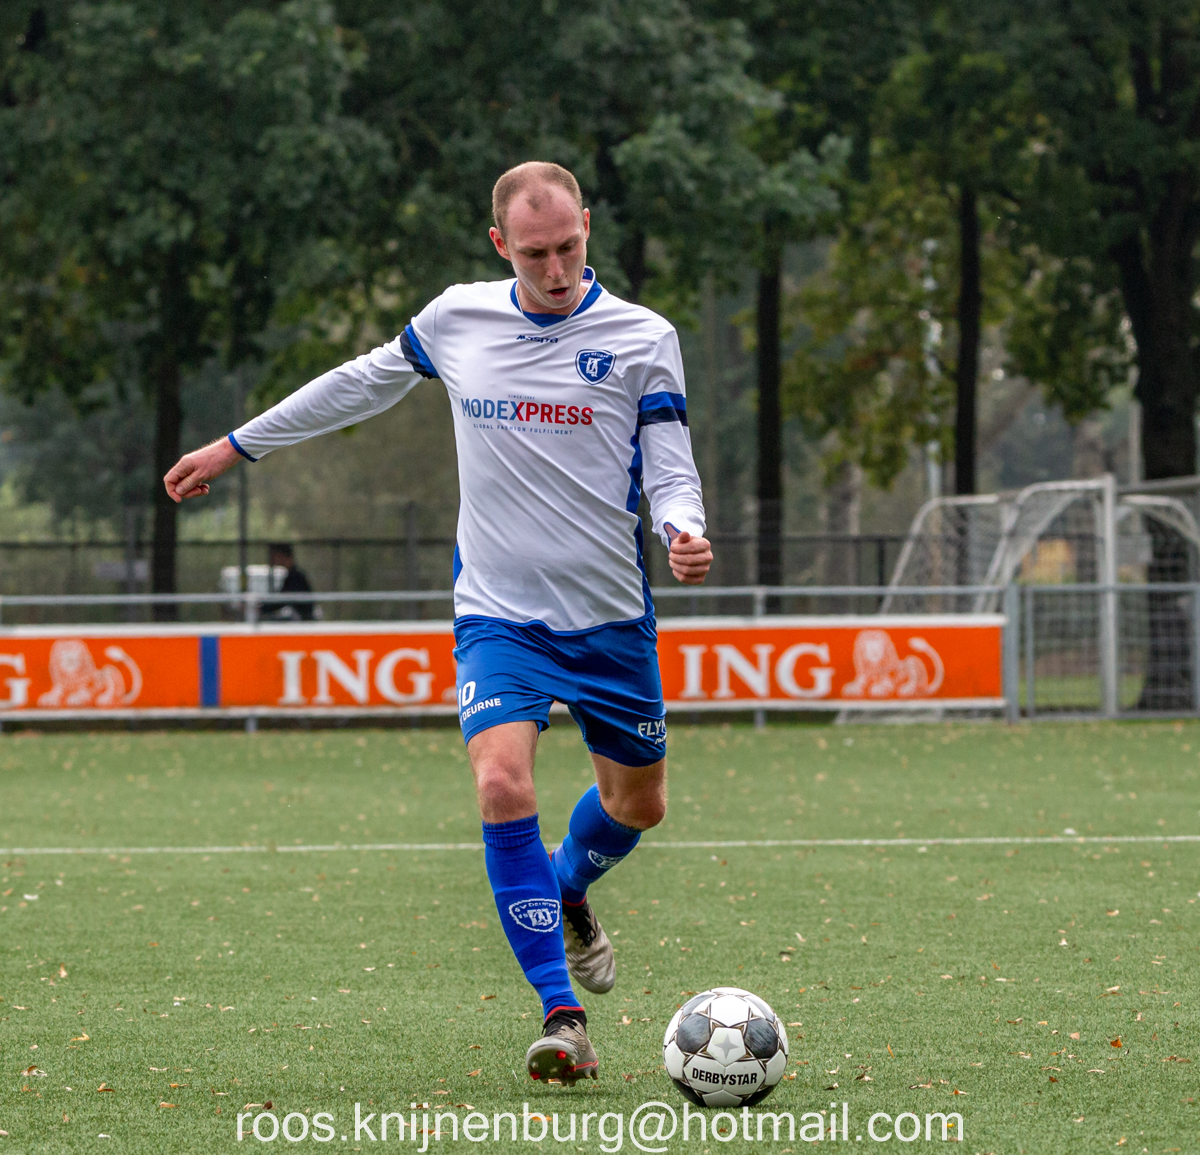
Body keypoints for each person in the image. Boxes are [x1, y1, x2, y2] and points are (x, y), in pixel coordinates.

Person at [163, 161, 713, 1086]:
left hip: (611, 617)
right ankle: (563, 1017)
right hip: (498, 614)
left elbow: (668, 463)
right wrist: (236, 444)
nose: (554, 269)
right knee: (500, 783)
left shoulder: (641, 336)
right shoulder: (458, 318)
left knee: (638, 806)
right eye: (533, 254)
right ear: (500, 245)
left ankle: (566, 887)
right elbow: (359, 384)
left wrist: (681, 529)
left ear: (588, 224)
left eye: (568, 246)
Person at [265, 542, 315, 621]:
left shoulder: (295, 577)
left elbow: (283, 599)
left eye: (275, 556)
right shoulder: (292, 575)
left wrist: (263, 609)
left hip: (302, 621)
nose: (273, 559)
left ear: (282, 556)